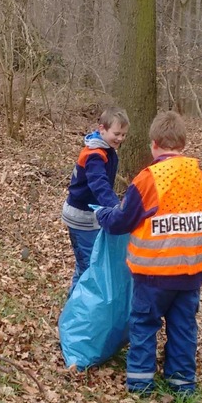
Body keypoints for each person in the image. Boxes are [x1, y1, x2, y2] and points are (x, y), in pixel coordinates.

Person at [95, 111, 202, 396]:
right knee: (183, 326)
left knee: (144, 325)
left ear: (153, 144)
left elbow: (123, 221)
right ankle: (182, 384)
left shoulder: (148, 180)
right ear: (183, 144)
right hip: (191, 273)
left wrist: (103, 215)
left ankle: (140, 384)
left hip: (153, 274)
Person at [62, 107, 129, 291]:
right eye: (117, 133)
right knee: (89, 267)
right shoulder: (95, 155)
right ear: (102, 129)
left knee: (85, 263)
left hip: (91, 215)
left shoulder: (107, 149)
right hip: (81, 217)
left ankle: (77, 309)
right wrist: (115, 206)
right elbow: (98, 183)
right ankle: (78, 315)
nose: (120, 138)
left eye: (124, 134)